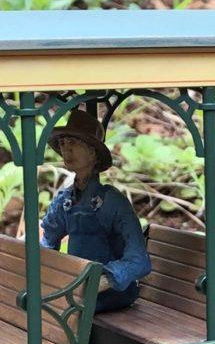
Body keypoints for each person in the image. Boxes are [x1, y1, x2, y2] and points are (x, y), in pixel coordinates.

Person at [38, 111, 151, 310]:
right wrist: (48, 271)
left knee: (61, 313)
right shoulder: (65, 201)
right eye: (63, 143)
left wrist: (101, 282)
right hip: (77, 290)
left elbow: (139, 261)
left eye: (74, 143)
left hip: (111, 293)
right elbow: (48, 241)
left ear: (93, 152)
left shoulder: (112, 202)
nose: (67, 150)